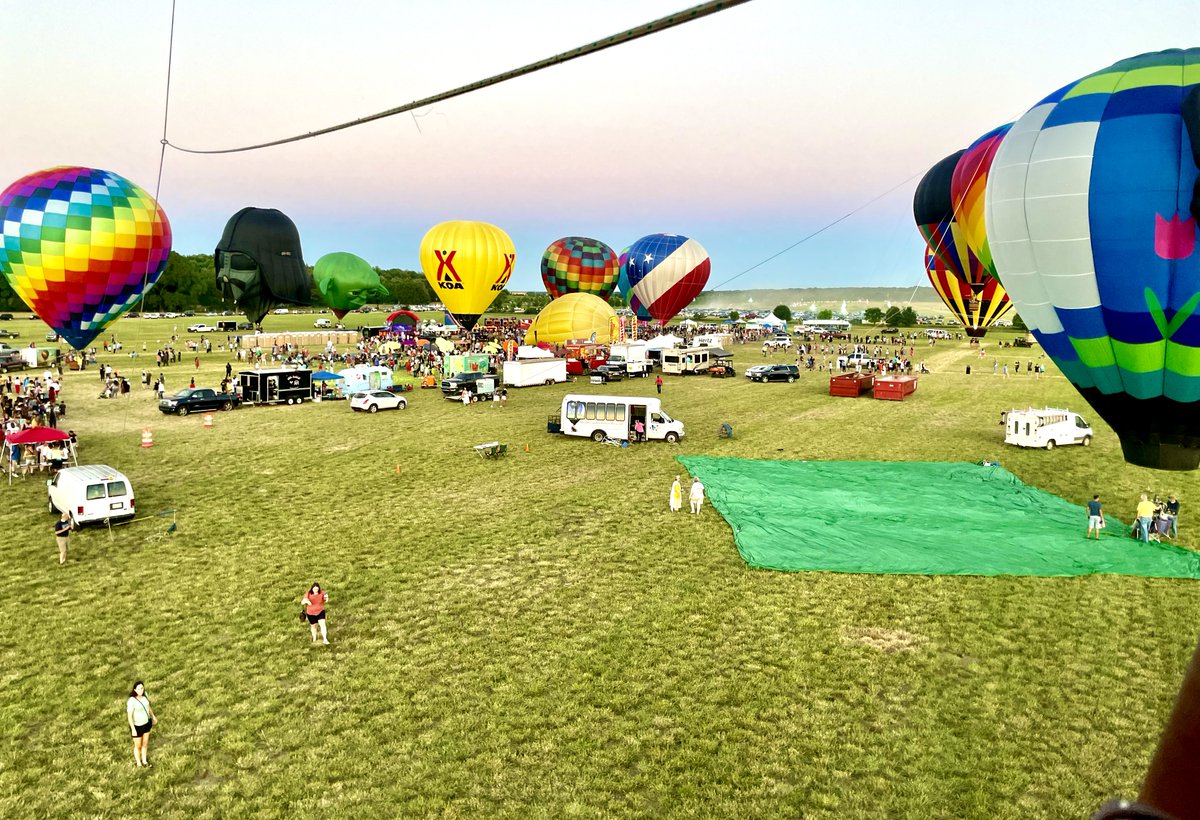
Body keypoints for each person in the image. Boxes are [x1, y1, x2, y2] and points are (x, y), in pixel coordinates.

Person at [126, 681, 157, 767]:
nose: (141, 690)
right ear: (135, 690)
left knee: (145, 743)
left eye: (142, 688)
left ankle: (144, 761)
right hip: (137, 726)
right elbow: (130, 716)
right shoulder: (132, 700)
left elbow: (148, 707)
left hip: (146, 723)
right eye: (139, 689)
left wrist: (153, 717)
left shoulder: (145, 695)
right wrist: (133, 729)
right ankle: (138, 762)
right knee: (138, 745)